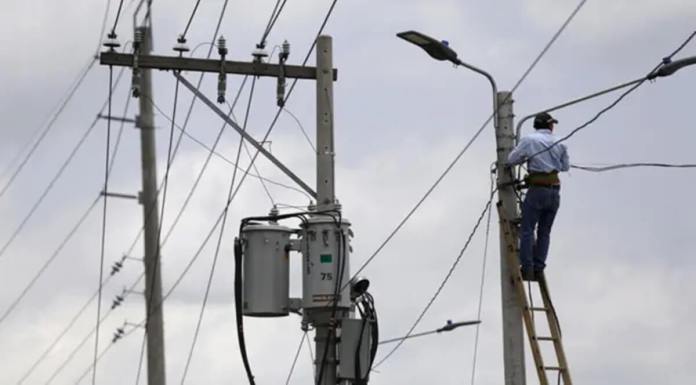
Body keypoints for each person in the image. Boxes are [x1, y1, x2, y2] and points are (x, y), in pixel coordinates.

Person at [507, 112, 569, 281]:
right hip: (555, 191)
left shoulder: (529, 140)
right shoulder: (560, 141)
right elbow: (564, 167)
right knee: (544, 232)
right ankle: (539, 268)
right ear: (549, 125)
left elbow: (511, 160)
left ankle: (527, 268)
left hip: (538, 190)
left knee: (527, 229)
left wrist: (529, 157)